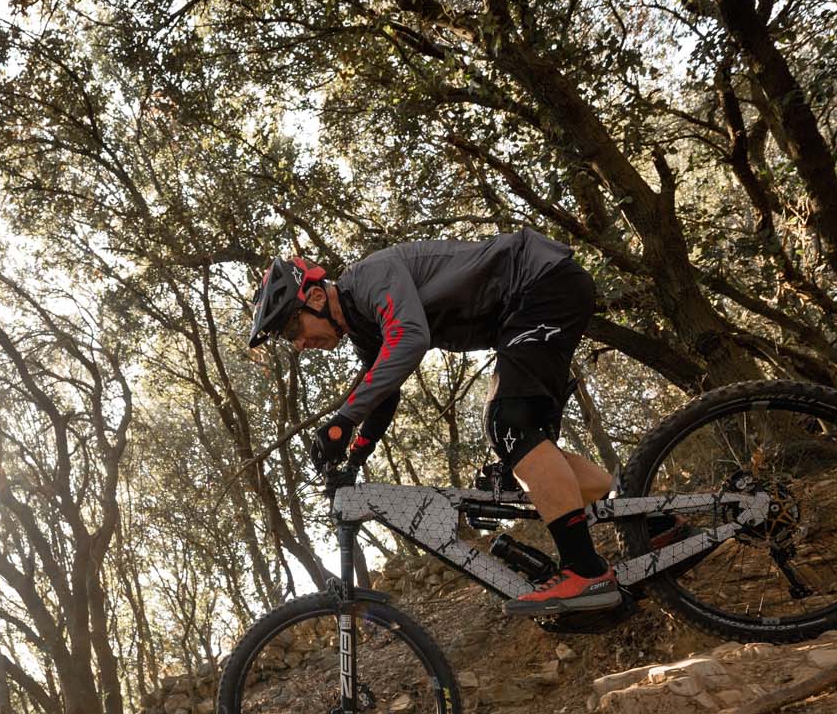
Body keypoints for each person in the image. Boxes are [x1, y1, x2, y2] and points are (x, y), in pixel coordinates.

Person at [247, 229, 626, 616]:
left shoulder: (371, 277)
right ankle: (650, 521)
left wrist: (343, 419)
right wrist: (354, 458)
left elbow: (409, 338)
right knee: (526, 445)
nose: (297, 344)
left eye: (292, 329)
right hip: (535, 301)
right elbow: (384, 390)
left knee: (505, 425)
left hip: (540, 285)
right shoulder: (362, 325)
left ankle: (585, 572)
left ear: (314, 297)